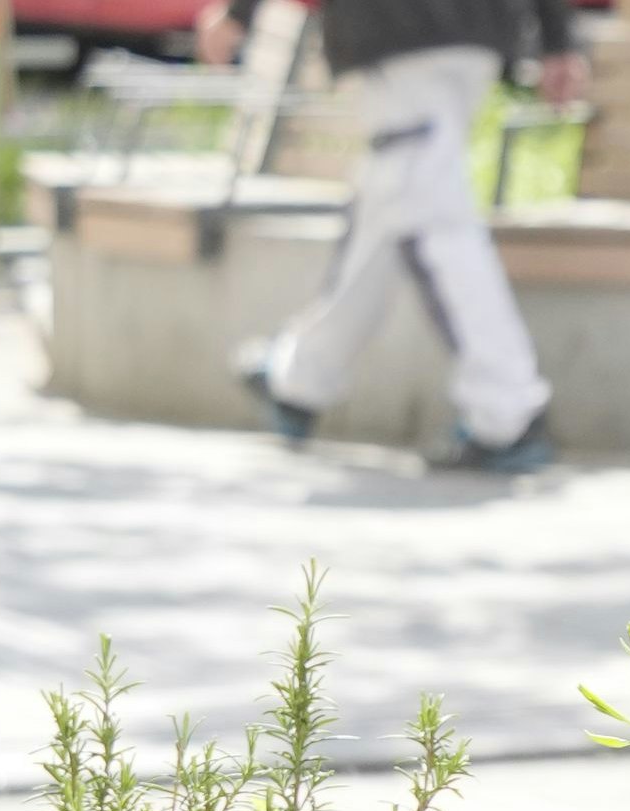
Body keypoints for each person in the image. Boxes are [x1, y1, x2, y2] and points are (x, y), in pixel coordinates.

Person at [201, 0, 584, 472]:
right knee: (394, 201)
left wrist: (238, 14)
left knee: (432, 221)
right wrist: (558, 38)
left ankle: (508, 411)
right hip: (474, 30)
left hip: (400, 28)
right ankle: (302, 378)